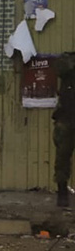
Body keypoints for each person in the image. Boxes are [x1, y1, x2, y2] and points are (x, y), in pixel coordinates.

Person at [53, 52, 75, 206]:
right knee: (62, 157)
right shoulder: (68, 60)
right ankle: (62, 193)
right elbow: (60, 67)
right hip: (66, 118)